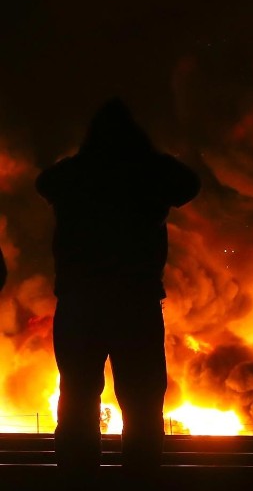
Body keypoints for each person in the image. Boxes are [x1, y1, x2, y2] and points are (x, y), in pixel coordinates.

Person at [36, 97, 200, 488]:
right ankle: (141, 479)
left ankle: (77, 479)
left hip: (80, 303)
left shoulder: (74, 176)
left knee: (77, 398)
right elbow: (189, 184)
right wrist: (146, 157)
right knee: (143, 402)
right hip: (135, 303)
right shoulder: (148, 174)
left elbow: (45, 183)